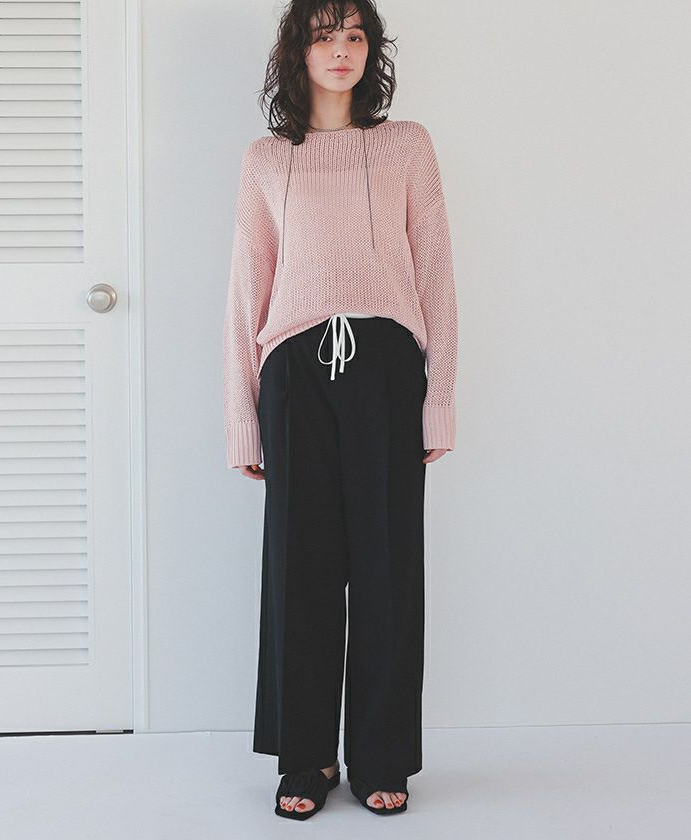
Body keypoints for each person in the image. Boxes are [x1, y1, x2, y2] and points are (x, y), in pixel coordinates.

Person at [222, 0, 458, 821]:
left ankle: (381, 756)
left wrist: (440, 400)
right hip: (294, 368)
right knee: (302, 567)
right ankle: (306, 756)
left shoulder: (406, 146)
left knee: (387, 565)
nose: (341, 50)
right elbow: (247, 287)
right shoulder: (265, 159)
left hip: (386, 366)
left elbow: (436, 273)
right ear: (297, 50)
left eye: (355, 35)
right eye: (323, 36)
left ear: (371, 50)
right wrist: (242, 415)